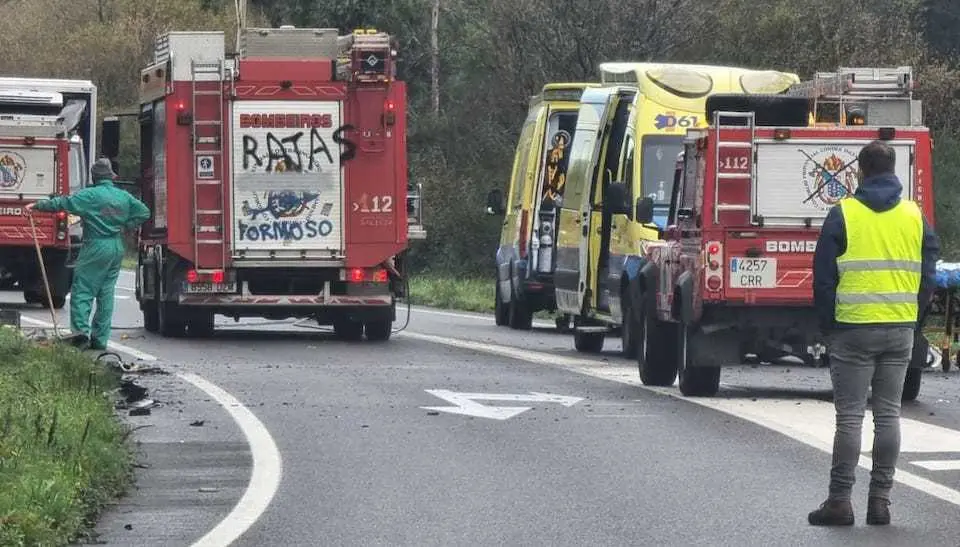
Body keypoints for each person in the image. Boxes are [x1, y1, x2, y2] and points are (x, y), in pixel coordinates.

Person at [809, 140, 939, 526]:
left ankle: (839, 501)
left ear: (861, 172)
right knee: (888, 415)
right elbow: (928, 273)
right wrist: (915, 317)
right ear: (893, 169)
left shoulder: (843, 213)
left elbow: (823, 278)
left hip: (852, 329)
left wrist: (828, 325)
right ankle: (880, 502)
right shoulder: (914, 215)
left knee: (849, 418)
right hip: (899, 327)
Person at [26, 158, 150, 351]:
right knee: (106, 293)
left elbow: (64, 203)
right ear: (111, 176)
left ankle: (81, 335)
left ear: (94, 176)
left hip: (95, 246)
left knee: (82, 290)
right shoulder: (123, 196)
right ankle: (100, 339)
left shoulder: (89, 196)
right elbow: (144, 212)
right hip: (116, 246)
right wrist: (126, 225)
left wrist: (36, 206)